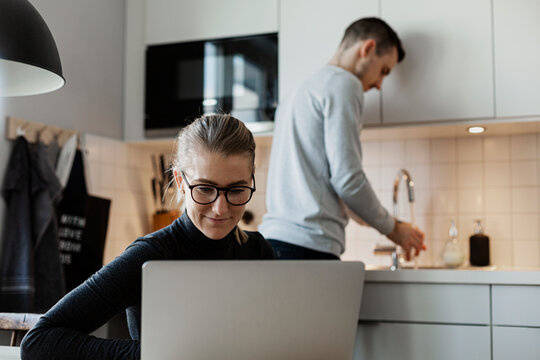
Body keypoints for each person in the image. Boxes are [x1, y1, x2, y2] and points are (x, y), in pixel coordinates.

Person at [21, 114, 275, 359]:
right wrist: (154, 354)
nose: (220, 208)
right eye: (205, 189)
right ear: (180, 181)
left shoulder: (257, 252)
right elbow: (39, 342)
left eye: (237, 189)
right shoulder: (150, 255)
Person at [259, 17, 425, 260]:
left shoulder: (301, 90)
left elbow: (334, 184)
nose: (379, 84)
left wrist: (387, 222)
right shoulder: (344, 84)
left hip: (276, 242)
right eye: (383, 71)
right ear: (367, 49)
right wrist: (394, 230)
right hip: (309, 248)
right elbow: (348, 179)